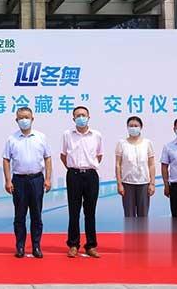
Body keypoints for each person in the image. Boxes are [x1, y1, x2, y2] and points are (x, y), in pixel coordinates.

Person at [2, 107, 52, 259]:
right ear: (16, 120)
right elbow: (6, 160)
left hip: (37, 179)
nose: (24, 120)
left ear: (32, 119)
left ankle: (36, 246)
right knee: (20, 216)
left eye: (27, 117)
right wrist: (8, 180)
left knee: (36, 215)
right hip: (19, 180)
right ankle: (20, 246)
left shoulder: (41, 137)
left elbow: (48, 158)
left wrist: (48, 179)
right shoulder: (12, 139)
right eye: (21, 118)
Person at [61, 105, 103, 258]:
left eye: (83, 115)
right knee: (74, 211)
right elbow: (63, 155)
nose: (81, 118)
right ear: (73, 118)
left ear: (88, 117)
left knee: (90, 212)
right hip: (74, 175)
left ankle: (91, 245)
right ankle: (73, 244)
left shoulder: (96, 135)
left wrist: (88, 166)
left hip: (91, 175)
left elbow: (99, 155)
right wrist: (73, 169)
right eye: (77, 115)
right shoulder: (67, 134)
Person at [115, 116, 155, 217]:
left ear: (141, 127)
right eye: (131, 126)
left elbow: (151, 164)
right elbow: (118, 165)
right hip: (127, 183)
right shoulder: (121, 143)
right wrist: (119, 184)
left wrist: (152, 183)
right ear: (127, 127)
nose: (133, 128)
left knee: (143, 215)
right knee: (129, 215)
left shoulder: (147, 143)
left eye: (136, 126)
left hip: (144, 183)